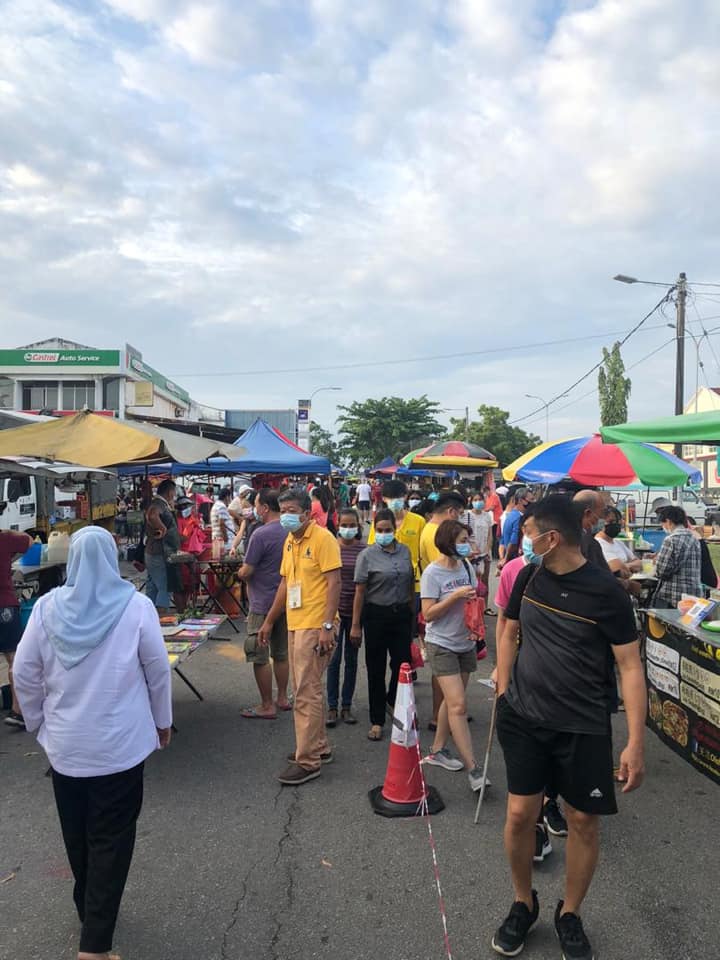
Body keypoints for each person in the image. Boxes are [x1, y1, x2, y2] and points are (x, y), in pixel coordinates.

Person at [492, 496, 646, 959]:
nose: (524, 541)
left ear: (552, 538)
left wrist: (635, 742)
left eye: (529, 533)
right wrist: (504, 689)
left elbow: (630, 666)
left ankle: (571, 913)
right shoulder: (528, 577)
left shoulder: (606, 592)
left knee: (582, 820)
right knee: (520, 815)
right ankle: (523, 902)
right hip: (524, 717)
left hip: (583, 725)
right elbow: (508, 629)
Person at [12, 526, 172, 960]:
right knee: (110, 841)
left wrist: (38, 723)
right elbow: (158, 670)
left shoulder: (46, 608)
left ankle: (90, 913)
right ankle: (95, 947)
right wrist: (162, 721)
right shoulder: (136, 607)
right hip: (120, 748)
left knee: (78, 836)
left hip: (66, 748)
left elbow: (23, 673)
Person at [259, 489, 341, 785]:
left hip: (315, 625)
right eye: (283, 510)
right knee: (307, 688)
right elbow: (285, 584)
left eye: (292, 510)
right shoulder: (290, 541)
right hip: (297, 622)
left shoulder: (323, 539)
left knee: (306, 692)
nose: (286, 516)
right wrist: (269, 621)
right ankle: (317, 747)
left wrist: (327, 626)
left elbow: (334, 583)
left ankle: (308, 761)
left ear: (307, 513)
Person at [421, 519, 489, 792]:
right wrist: (454, 596)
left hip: (465, 642)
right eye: (462, 540)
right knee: (459, 705)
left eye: (467, 540)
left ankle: (437, 750)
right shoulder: (432, 573)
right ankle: (474, 769)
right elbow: (428, 614)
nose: (467, 545)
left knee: (452, 701)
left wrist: (476, 625)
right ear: (448, 542)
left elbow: (471, 602)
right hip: (442, 645)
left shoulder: (466, 566)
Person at [351, 508, 415, 741]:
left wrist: (413, 615)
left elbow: (410, 582)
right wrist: (356, 625)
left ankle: (392, 700)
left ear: (394, 529)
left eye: (388, 530)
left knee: (402, 664)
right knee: (376, 669)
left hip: (401, 615)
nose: (384, 533)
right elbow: (360, 592)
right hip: (376, 615)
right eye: (379, 530)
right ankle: (377, 720)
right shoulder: (367, 556)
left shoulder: (405, 551)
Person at [234, 489, 291, 719]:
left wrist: (240, 573)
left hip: (262, 603)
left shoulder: (260, 534)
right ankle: (283, 697)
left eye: (256, 505)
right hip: (286, 601)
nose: (254, 509)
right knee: (281, 653)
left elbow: (247, 570)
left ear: (265, 508)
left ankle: (267, 705)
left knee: (259, 654)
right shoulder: (290, 531)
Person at [326, 508, 365, 726]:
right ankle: (332, 706)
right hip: (333, 613)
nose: (348, 529)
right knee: (333, 660)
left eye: (352, 525)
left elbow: (364, 586)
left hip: (355, 614)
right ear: (338, 525)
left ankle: (346, 706)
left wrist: (357, 623)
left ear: (358, 526)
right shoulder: (330, 547)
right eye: (344, 525)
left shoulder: (364, 550)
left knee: (351, 661)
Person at [368, 479, 426, 597]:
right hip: (384, 581)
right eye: (391, 497)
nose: (395, 501)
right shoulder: (378, 521)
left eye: (398, 497)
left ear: (405, 497)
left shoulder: (419, 521)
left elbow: (424, 553)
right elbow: (371, 550)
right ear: (384, 498)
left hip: (413, 581)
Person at [1, 528, 31, 728]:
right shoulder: (6, 538)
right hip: (5, 606)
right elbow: (30, 542)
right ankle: (18, 710)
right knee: (14, 659)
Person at [144, 479, 182, 614]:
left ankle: (149, 616)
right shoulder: (158, 504)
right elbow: (152, 515)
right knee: (164, 587)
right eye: (174, 492)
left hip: (154, 551)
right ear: (170, 492)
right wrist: (162, 528)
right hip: (160, 552)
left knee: (153, 586)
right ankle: (160, 619)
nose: (175, 495)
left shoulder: (160, 503)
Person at [653, 505, 702, 607]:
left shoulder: (671, 540)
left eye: (663, 523)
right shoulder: (694, 539)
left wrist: (656, 562)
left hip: (674, 595)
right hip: (694, 593)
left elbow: (661, 571)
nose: (663, 526)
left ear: (668, 521)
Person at [596, 506, 642, 578]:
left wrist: (626, 565)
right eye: (611, 521)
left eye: (618, 521)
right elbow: (618, 569)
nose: (616, 524)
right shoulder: (599, 544)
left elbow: (639, 563)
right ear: (601, 522)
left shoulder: (618, 542)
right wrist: (628, 566)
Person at [573, 489, 611, 571]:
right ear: (588, 513)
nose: (603, 519)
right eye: (602, 513)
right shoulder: (588, 544)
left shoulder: (558, 538)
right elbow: (601, 574)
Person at [498, 488, 530, 568]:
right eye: (531, 499)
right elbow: (513, 542)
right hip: (515, 559)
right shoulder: (519, 518)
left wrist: (502, 558)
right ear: (521, 500)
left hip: (508, 559)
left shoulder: (510, 515)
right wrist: (506, 558)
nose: (533, 502)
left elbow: (502, 540)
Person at [210, 486, 236, 554]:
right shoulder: (221, 506)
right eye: (230, 497)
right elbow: (221, 523)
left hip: (218, 539)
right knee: (225, 557)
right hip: (224, 541)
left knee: (219, 557)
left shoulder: (216, 505)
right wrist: (226, 538)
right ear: (227, 497)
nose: (230, 500)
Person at [483, 484, 503, 560]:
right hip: (492, 520)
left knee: (496, 537)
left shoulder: (494, 496)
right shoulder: (488, 498)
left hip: (497, 520)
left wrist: (483, 511)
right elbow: (486, 507)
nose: (485, 494)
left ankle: (496, 554)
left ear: (488, 490)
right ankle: (494, 553)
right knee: (492, 537)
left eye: (486, 492)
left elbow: (492, 507)